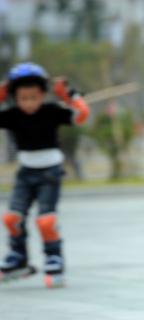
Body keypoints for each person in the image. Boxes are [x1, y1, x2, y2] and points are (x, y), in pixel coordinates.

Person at [0, 62, 90, 288]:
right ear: (15, 98)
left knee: (46, 221)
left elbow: (81, 115)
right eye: (23, 98)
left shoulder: (52, 111)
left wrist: (69, 96)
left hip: (50, 173)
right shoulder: (12, 115)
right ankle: (19, 257)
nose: (29, 103)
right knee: (12, 218)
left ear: (42, 95)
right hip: (25, 173)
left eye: (33, 97)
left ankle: (54, 258)